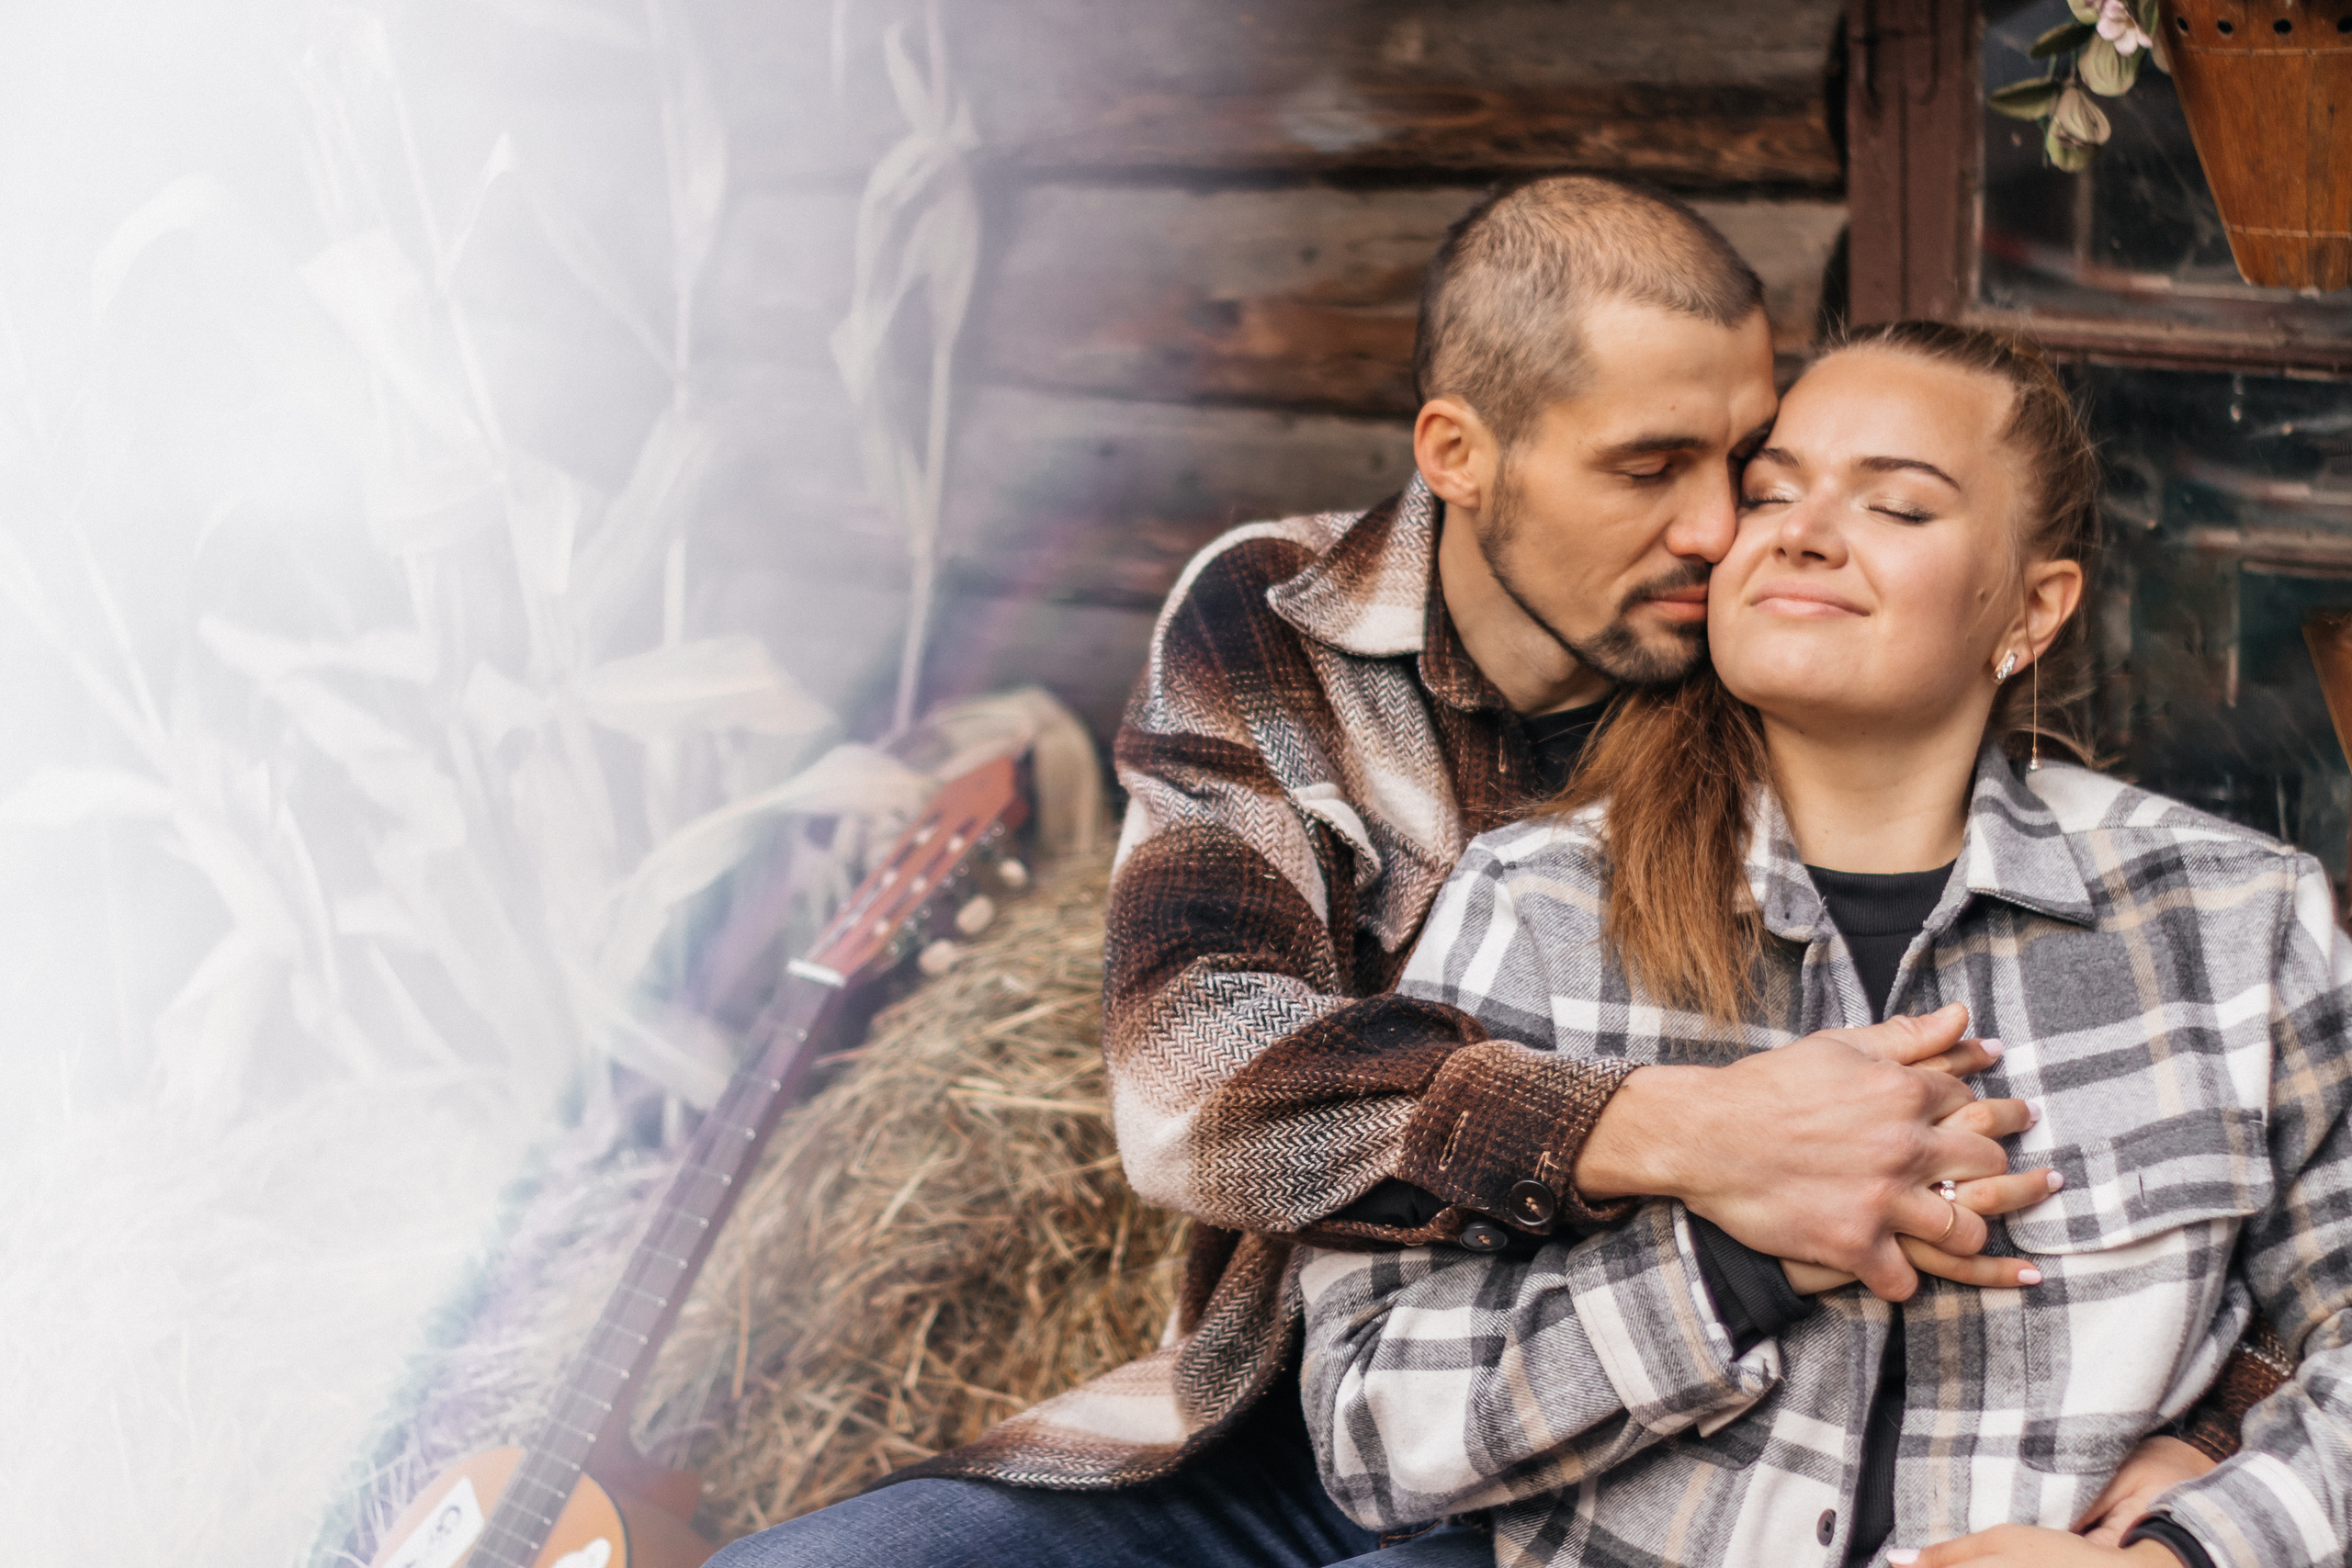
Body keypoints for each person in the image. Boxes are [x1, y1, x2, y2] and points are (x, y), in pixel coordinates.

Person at [709, 182, 2269, 1568]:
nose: (1721, 528)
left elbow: (2124, 1082)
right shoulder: (1284, 623)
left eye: (1744, 460)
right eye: (1650, 467)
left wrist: (2220, 1437)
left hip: (1675, 1427)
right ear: (1460, 454)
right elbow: (1193, 1081)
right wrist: (1675, 1129)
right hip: (1294, 1403)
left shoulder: (1789, 646)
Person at [1299, 321, 2346, 1568]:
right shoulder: (1540, 904)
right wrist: (1732, 1260)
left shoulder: (2232, 919)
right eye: (1770, 493)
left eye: (1897, 506)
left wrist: (2191, 1552)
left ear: (2032, 608)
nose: (1801, 532)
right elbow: (1371, 1426)